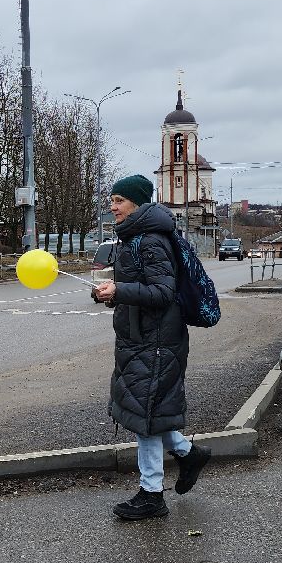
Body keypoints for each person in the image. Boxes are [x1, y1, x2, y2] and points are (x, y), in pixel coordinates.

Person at [92, 174, 209, 521]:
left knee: (145, 417)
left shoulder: (150, 240)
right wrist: (110, 293)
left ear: (138, 204)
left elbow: (162, 294)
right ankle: (188, 455)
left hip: (157, 342)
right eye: (111, 200)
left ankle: (151, 494)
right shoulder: (133, 238)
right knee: (151, 412)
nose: (112, 206)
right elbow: (137, 291)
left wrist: (121, 291)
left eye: (119, 200)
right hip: (142, 339)